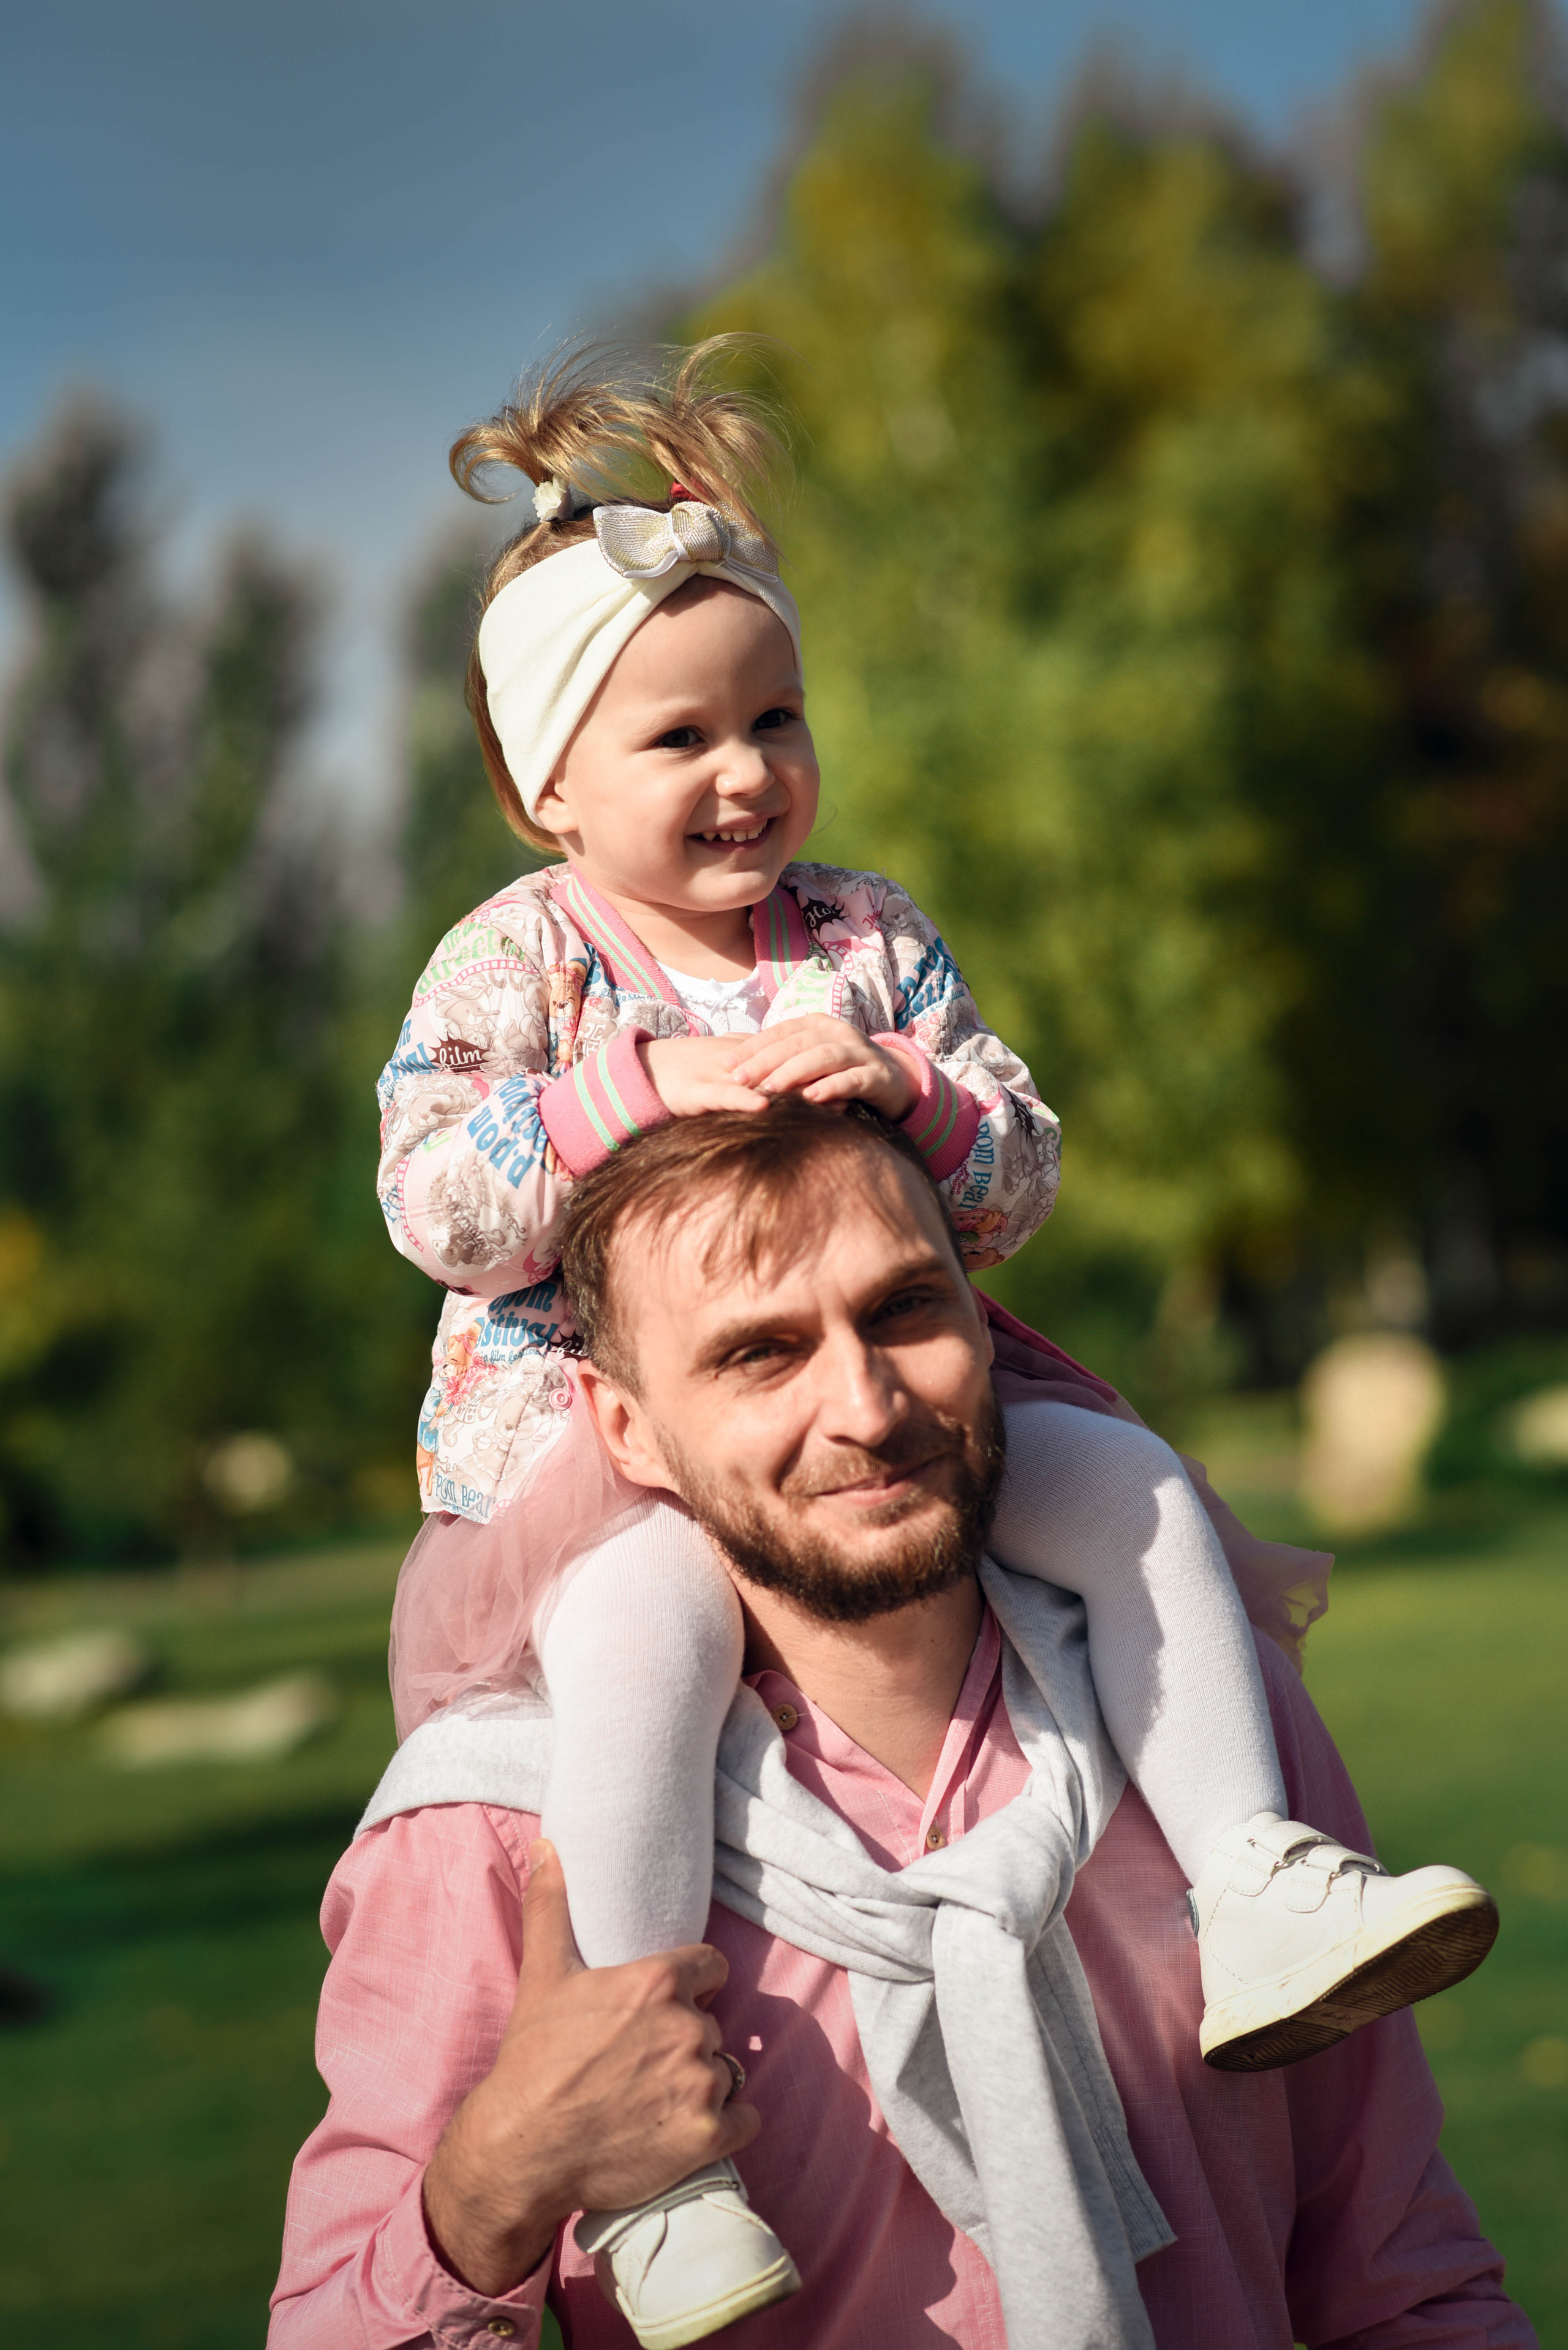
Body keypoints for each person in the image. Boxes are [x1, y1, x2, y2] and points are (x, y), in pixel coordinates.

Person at [371, 341, 1494, 2341]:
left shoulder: (865, 932)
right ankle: (666, 2164)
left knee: (1136, 1484)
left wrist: (896, 1072)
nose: (744, 770)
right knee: (638, 1643)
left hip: (926, 1360)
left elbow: (1010, 1173)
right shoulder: (522, 962)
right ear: (547, 784)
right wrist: (627, 1090)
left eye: (775, 715)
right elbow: (435, 1198)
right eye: (677, 737)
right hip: (594, 1450)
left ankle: (1251, 1876)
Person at [270, 1103, 1532, 2350]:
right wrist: (493, 2185)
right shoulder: (497, 1830)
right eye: (759, 1352)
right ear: (624, 1426)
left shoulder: (1211, 1741)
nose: (866, 1407)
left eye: (903, 1310)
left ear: (982, 1322)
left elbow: (1400, 2287)